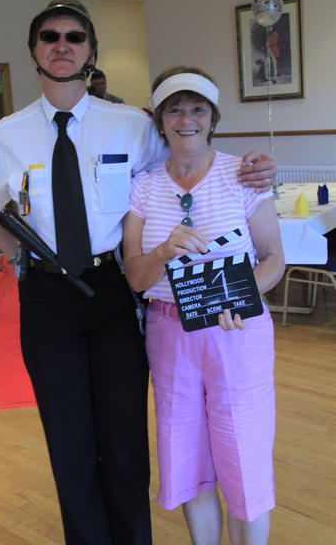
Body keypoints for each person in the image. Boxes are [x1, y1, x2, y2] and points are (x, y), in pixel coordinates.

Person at [0, 0, 278, 545]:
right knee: (67, 436)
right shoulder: (7, 136)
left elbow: (191, 150)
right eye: (49, 37)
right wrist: (18, 258)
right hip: (47, 295)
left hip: (112, 288)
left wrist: (257, 168)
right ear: (34, 52)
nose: (62, 46)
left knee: (124, 434)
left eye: (75, 37)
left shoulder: (131, 126)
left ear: (91, 52)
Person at [123, 66, 285, 545]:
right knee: (188, 461)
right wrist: (162, 251)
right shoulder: (143, 186)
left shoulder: (244, 176)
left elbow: (274, 259)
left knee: (244, 459)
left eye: (198, 109)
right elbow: (135, 276)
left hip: (236, 332)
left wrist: (241, 297)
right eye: (174, 109)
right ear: (160, 120)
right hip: (169, 335)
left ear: (213, 118)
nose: (186, 119)